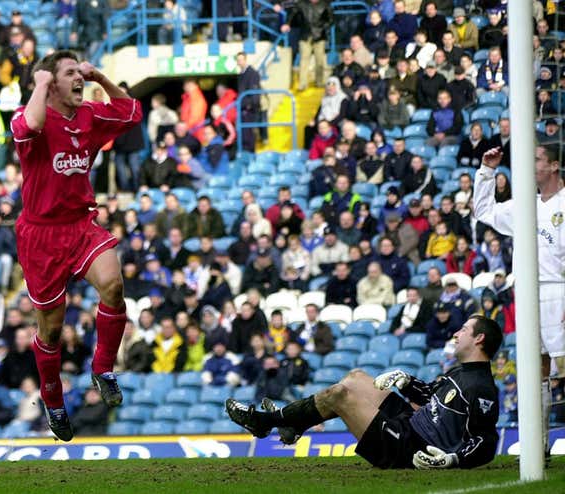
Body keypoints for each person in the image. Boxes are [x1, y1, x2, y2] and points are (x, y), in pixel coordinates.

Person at [10, 51, 142, 441]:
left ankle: (103, 368)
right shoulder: (29, 115)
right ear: (50, 84)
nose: (79, 78)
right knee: (50, 332)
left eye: (79, 72)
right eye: (71, 73)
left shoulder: (89, 116)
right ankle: (53, 400)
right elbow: (31, 123)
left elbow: (130, 110)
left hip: (81, 225)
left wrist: (98, 74)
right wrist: (40, 83)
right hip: (41, 236)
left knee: (114, 286)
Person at [227, 315, 502, 470]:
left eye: (464, 329)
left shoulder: (481, 387)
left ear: (479, 339)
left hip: (412, 450)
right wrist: (405, 381)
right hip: (410, 424)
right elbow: (430, 396)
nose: (456, 333)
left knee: (340, 394)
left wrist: (451, 460)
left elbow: (486, 440)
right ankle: (291, 426)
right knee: (357, 377)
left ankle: (267, 423)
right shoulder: (460, 371)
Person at [474, 144, 565, 458]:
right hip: (528, 293)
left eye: (537, 158)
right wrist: (487, 172)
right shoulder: (525, 205)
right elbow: (483, 211)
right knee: (535, 368)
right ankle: (538, 446)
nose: (531, 163)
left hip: (559, 292)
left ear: (554, 166)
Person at [281, 0, 333, 91]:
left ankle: (319, 82)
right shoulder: (301, 3)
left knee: (320, 60)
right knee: (304, 60)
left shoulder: (325, 4)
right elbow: (292, 14)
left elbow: (331, 20)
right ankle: (303, 84)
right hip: (305, 35)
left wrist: (321, 27)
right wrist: (287, 23)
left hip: (320, 35)